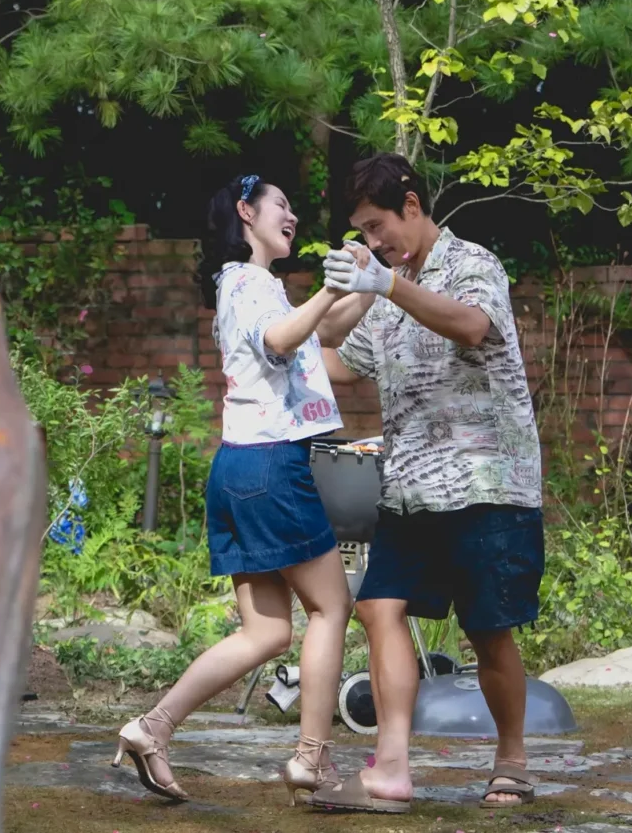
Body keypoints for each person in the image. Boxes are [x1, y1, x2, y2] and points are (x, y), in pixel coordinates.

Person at [305, 153, 546, 814]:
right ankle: (392, 767)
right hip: (409, 486)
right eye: (360, 229)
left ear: (411, 204)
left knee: (487, 628)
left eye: (376, 224)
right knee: (378, 605)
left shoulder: (474, 263)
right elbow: (336, 357)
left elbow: (471, 325)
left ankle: (513, 760)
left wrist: (386, 283)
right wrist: (271, 338)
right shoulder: (382, 286)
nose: (371, 240)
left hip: (484, 482)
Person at [112, 174, 353, 805]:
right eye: (280, 205)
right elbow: (282, 341)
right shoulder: (249, 282)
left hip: (240, 468)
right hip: (273, 466)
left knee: (266, 634)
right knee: (331, 608)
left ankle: (151, 727)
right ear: (246, 212)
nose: (291, 214)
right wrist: (331, 289)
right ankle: (311, 759)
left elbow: (320, 342)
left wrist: (370, 289)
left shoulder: (254, 287)